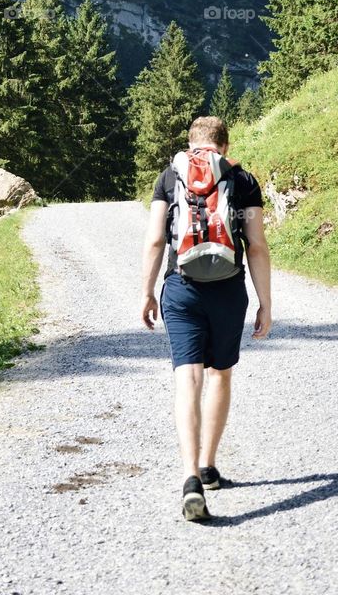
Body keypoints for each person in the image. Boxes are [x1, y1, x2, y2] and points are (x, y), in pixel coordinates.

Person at [140, 115, 272, 521]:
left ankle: (190, 477)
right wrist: (265, 301)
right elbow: (256, 245)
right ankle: (210, 466)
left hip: (181, 287)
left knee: (187, 378)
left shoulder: (170, 176)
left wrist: (147, 291)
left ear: (191, 143)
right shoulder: (243, 180)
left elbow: (157, 238)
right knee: (219, 374)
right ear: (225, 146)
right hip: (229, 290)